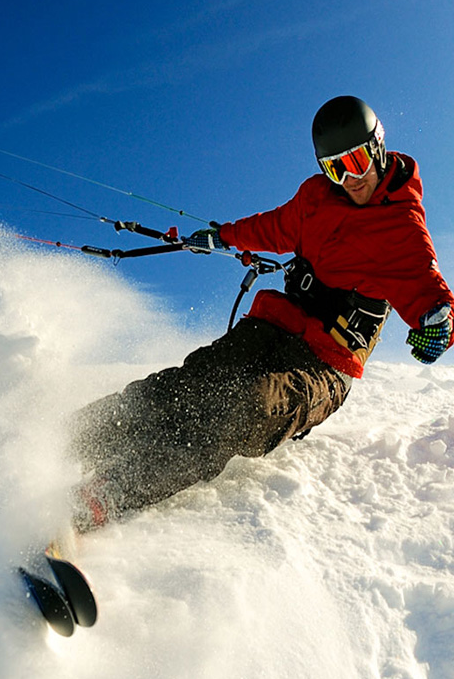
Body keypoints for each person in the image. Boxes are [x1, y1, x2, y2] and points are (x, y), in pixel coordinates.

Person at [68, 95, 454, 533]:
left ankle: (105, 495)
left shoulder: (401, 226)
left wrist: (438, 325)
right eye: (336, 168)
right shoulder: (315, 198)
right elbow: (271, 227)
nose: (351, 178)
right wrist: (221, 237)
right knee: (192, 383)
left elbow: (429, 290)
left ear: (379, 148)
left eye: (359, 160)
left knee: (245, 407)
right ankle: (71, 439)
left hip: (324, 363)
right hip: (273, 324)